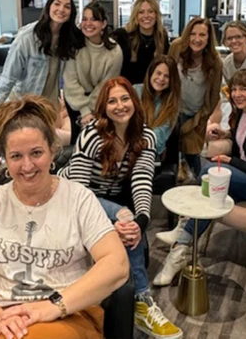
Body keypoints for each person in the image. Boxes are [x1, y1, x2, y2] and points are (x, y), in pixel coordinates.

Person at [0, 95, 128, 339]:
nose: (27, 165)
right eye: (16, 156)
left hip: (66, 316)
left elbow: (117, 264)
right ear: (5, 160)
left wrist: (53, 306)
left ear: (53, 152)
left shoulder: (78, 199)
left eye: (36, 153)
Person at [59, 77, 183, 339]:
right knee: (123, 216)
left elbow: (141, 181)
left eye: (125, 98)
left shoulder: (146, 136)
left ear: (134, 102)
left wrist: (141, 221)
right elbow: (78, 191)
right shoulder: (91, 135)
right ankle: (142, 300)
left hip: (111, 199)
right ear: (103, 107)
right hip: (71, 194)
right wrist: (108, 221)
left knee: (130, 225)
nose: (120, 105)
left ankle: (141, 302)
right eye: (112, 101)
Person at [154, 69, 246, 286]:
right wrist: (227, 135)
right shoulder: (243, 113)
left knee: (209, 173)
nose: (237, 93)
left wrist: (230, 161)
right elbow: (243, 140)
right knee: (213, 193)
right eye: (234, 88)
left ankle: (182, 231)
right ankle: (179, 249)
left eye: (243, 88)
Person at [0, 0, 84, 111]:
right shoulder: (28, 37)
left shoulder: (68, 38)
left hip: (49, 106)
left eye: (67, 7)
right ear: (48, 6)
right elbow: (8, 77)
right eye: (57, 4)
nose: (61, 9)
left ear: (71, 13)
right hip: (23, 105)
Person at [169, 16, 223, 177]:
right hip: (173, 111)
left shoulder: (215, 61)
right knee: (170, 152)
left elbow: (214, 95)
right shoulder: (176, 47)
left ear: (209, 38)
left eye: (202, 35)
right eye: (193, 34)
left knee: (192, 153)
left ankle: (201, 185)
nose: (197, 39)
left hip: (195, 115)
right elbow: (166, 73)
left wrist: (202, 117)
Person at [63, 1, 123, 144]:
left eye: (94, 19)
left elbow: (105, 85)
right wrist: (84, 111)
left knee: (100, 142)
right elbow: (70, 82)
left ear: (103, 24)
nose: (88, 23)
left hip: (100, 101)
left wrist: (91, 112)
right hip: (75, 100)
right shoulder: (74, 47)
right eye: (84, 19)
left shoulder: (115, 52)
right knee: (78, 142)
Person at [112, 0, 170, 85]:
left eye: (150, 11)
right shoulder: (123, 36)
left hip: (153, 90)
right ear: (135, 16)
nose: (146, 16)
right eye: (141, 12)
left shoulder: (162, 37)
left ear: (156, 15)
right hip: (128, 91)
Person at [134, 55, 181, 156]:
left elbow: (159, 137)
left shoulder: (173, 104)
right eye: (158, 73)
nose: (161, 78)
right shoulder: (135, 91)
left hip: (152, 153)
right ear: (151, 73)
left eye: (167, 76)